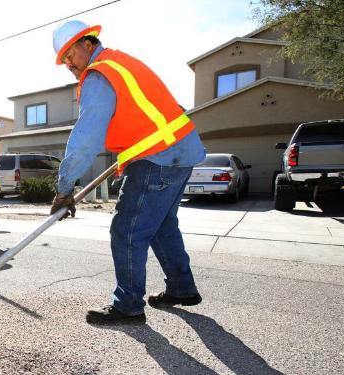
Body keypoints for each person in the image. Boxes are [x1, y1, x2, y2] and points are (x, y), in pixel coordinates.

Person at [49, 20, 206, 324]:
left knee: (128, 231)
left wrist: (64, 188)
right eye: (64, 60)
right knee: (161, 226)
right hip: (180, 152)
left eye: (70, 55)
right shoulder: (120, 63)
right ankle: (182, 288)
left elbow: (86, 140)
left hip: (157, 158)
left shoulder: (100, 74)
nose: (68, 64)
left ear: (87, 44)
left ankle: (128, 305)